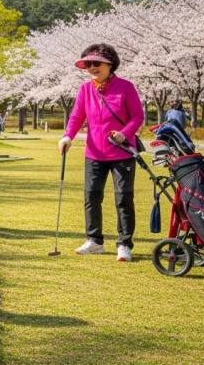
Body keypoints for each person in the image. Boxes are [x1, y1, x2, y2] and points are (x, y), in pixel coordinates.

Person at [59, 43, 145, 262]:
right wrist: (68, 136)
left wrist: (125, 134)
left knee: (123, 198)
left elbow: (137, 117)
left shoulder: (126, 87)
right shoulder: (85, 90)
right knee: (91, 196)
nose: (92, 67)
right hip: (94, 153)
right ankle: (94, 241)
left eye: (96, 63)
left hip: (122, 153)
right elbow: (77, 117)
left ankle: (124, 244)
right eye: (88, 64)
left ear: (110, 64)